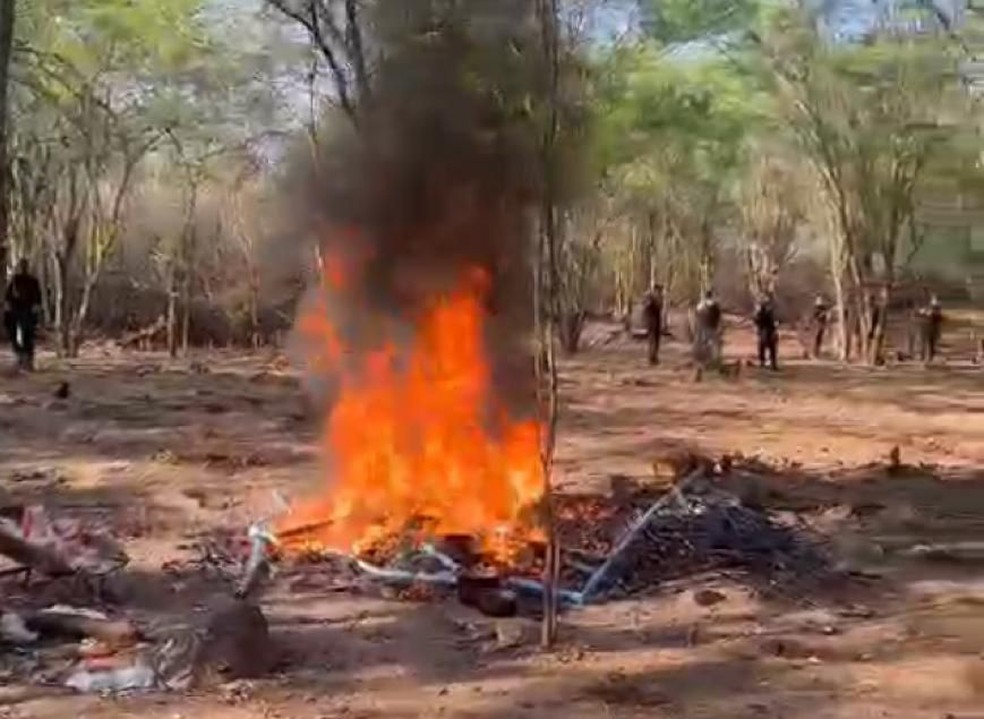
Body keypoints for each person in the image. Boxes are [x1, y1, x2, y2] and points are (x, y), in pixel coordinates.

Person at [4, 259, 42, 371]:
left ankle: (28, 359)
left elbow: (37, 297)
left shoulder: (33, 281)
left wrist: (36, 307)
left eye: (25, 266)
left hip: (28, 311)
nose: (23, 268)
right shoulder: (14, 280)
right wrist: (8, 307)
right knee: (11, 332)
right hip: (15, 310)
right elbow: (8, 295)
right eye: (21, 266)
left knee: (28, 334)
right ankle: (20, 354)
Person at [694, 290, 722, 367]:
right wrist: (719, 328)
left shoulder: (700, 306)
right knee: (711, 344)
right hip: (711, 327)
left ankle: (703, 361)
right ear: (711, 296)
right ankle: (710, 361)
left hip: (701, 328)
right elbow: (719, 318)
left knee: (703, 344)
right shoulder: (715, 306)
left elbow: (696, 316)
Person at [754, 294, 779, 370]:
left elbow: (757, 321)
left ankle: (767, 362)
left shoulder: (765, 311)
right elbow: (757, 321)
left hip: (766, 330)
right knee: (769, 347)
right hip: (766, 330)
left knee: (766, 346)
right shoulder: (765, 311)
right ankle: (770, 363)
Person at [642, 284, 664, 365]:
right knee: (653, 340)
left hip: (653, 321)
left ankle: (653, 357)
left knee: (654, 340)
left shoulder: (649, 297)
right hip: (653, 322)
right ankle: (652, 358)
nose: (660, 293)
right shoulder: (653, 297)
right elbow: (658, 306)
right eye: (660, 291)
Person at [921, 296, 944, 363]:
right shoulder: (930, 309)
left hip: (933, 328)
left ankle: (929, 356)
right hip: (929, 328)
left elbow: (940, 319)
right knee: (929, 342)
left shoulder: (936, 311)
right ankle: (928, 356)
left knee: (931, 343)